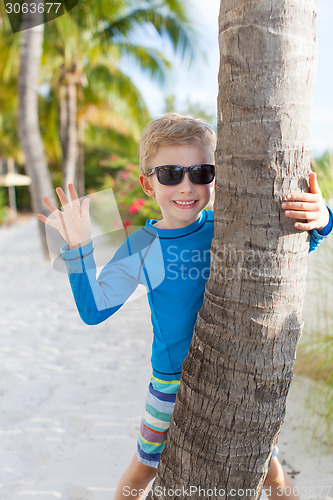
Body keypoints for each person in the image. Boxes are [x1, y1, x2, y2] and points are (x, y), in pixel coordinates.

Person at [38, 113, 333, 500]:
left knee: (270, 472)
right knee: (144, 468)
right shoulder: (142, 245)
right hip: (170, 382)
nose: (187, 186)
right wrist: (79, 246)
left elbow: (289, 256)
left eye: (201, 172)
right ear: (147, 183)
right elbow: (95, 310)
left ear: (215, 176)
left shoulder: (226, 226)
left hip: (237, 374)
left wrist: (323, 218)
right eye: (171, 173)